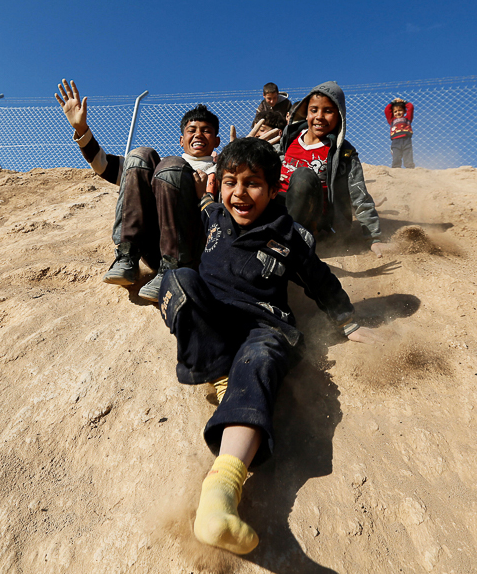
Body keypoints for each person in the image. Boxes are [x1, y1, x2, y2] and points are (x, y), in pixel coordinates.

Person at [158, 137, 377, 555]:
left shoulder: (288, 234)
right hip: (213, 326)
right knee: (178, 281)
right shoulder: (212, 217)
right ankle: (221, 375)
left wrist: (347, 321)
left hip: (265, 326)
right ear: (219, 187)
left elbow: (320, 279)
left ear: (274, 186)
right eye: (230, 182)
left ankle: (220, 494)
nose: (239, 192)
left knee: (260, 359)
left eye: (252, 182)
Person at [55, 79, 220, 302]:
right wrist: (82, 130)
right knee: (140, 155)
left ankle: (173, 271)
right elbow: (105, 166)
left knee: (172, 168)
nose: (198, 135)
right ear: (182, 140)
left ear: (217, 140)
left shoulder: (222, 171)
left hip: (195, 251)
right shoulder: (162, 166)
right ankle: (126, 255)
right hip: (155, 250)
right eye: (192, 130)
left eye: (206, 131)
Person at [277, 81, 383, 256]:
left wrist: (374, 238)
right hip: (280, 209)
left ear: (340, 115)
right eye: (314, 110)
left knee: (303, 176)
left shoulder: (343, 153)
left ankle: (287, 244)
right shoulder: (291, 138)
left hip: (313, 221)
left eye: (328, 111)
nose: (319, 116)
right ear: (306, 112)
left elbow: (359, 195)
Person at [384, 97, 415, 168]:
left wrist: (403, 101)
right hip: (396, 141)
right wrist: (393, 102)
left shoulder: (407, 118)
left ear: (404, 111)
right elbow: (386, 110)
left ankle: (410, 168)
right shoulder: (391, 120)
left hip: (406, 140)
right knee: (396, 156)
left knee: (408, 154)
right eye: (395, 111)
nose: (398, 112)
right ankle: (396, 168)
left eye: (400, 110)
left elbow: (410, 107)